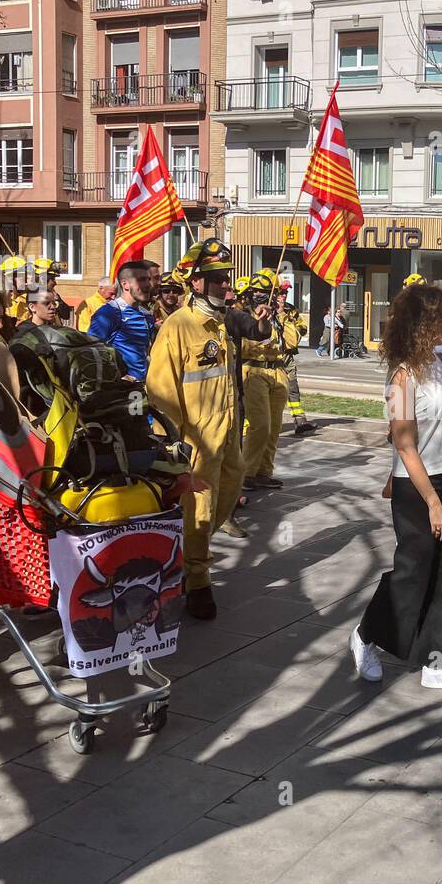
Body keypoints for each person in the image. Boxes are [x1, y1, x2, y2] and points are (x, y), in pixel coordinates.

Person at [349, 282, 442, 694]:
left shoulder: (441, 361)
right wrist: (433, 503)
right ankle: (367, 634)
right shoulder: (402, 377)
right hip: (417, 487)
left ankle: (440, 664)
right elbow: (405, 444)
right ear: (420, 324)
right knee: (413, 572)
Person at [147, 249, 251, 619]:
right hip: (196, 441)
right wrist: (171, 444)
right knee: (199, 510)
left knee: (228, 495)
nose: (225, 283)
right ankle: (197, 579)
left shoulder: (221, 323)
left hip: (227, 437)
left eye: (227, 276)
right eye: (216, 277)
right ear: (196, 282)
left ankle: (192, 557)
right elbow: (160, 391)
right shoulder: (178, 326)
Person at [239, 269, 301, 490]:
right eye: (257, 291)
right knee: (260, 426)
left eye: (266, 292)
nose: (261, 295)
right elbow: (246, 346)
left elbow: (292, 342)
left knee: (274, 427)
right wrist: (259, 319)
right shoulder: (243, 315)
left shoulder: (280, 316)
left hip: (278, 372)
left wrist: (282, 315)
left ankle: (264, 471)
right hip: (255, 372)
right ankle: (247, 473)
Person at [88, 261, 156, 380]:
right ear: (125, 284)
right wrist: (116, 377)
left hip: (142, 387)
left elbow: (145, 352)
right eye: (141, 280)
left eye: (148, 279)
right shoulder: (108, 313)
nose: (147, 285)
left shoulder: (146, 315)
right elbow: (89, 353)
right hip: (117, 390)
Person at [275, 283, 316, 436]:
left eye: (285, 292)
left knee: (293, 387)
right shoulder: (267, 308)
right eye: (281, 292)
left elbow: (302, 327)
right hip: (271, 354)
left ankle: (300, 420)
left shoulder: (291, 309)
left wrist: (292, 329)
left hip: (287, 354)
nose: (283, 295)